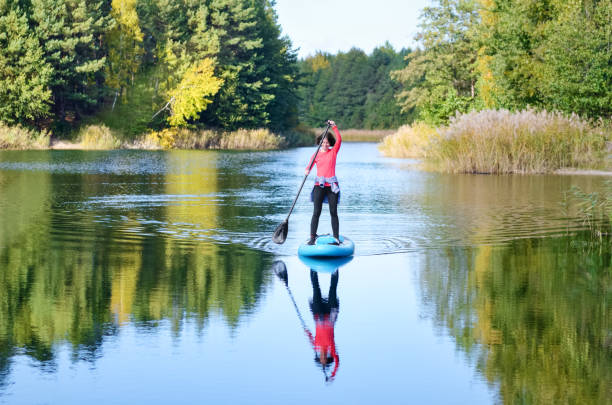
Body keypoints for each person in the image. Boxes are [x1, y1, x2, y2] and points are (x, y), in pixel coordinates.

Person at [305, 120, 342, 245]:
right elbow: (309, 166)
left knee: (333, 212)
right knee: (316, 212)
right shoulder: (316, 154)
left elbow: (340, 140)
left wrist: (334, 127)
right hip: (319, 186)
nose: (325, 144)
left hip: (332, 186)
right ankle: (312, 237)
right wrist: (307, 170)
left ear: (329, 143)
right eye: (323, 142)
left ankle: (336, 238)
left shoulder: (333, 152)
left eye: (327, 142)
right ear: (320, 142)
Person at [304, 269, 340, 382]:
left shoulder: (316, 347)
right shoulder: (332, 349)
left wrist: (307, 332)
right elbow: (337, 361)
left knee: (315, 288)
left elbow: (310, 337)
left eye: (321, 359)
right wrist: (332, 374)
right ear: (328, 357)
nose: (322, 357)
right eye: (324, 359)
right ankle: (335, 268)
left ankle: (312, 267)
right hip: (330, 315)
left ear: (319, 357)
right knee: (333, 288)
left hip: (318, 315)